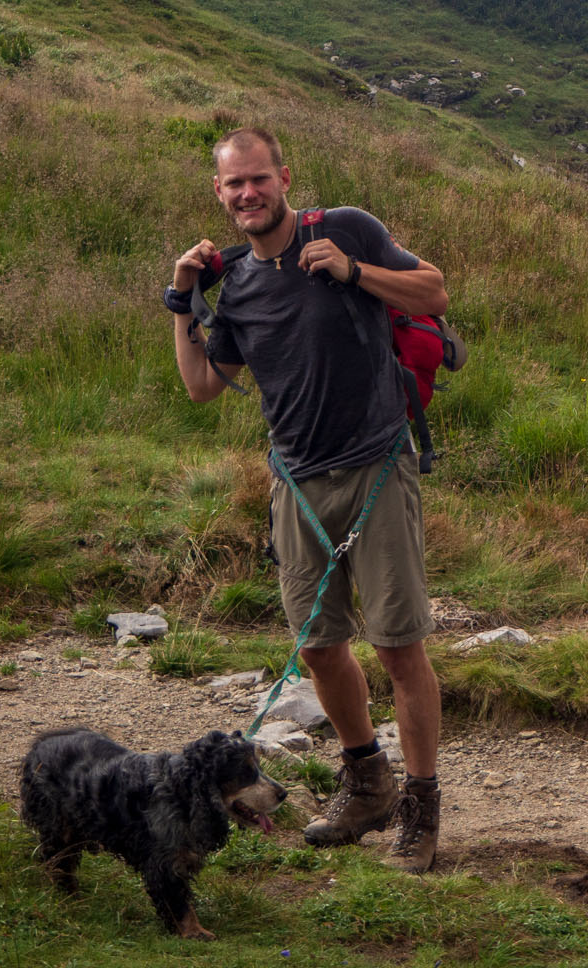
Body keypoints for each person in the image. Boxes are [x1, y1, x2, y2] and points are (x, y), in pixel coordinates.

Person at [168, 126, 449, 873]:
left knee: (397, 645)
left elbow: (435, 289)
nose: (248, 194)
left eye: (258, 179)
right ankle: (367, 783)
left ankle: (421, 809)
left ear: (284, 177)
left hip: (377, 466)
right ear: (219, 195)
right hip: (295, 480)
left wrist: (355, 272)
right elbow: (200, 387)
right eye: (234, 185)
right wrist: (181, 299)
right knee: (320, 647)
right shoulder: (237, 287)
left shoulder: (347, 230)